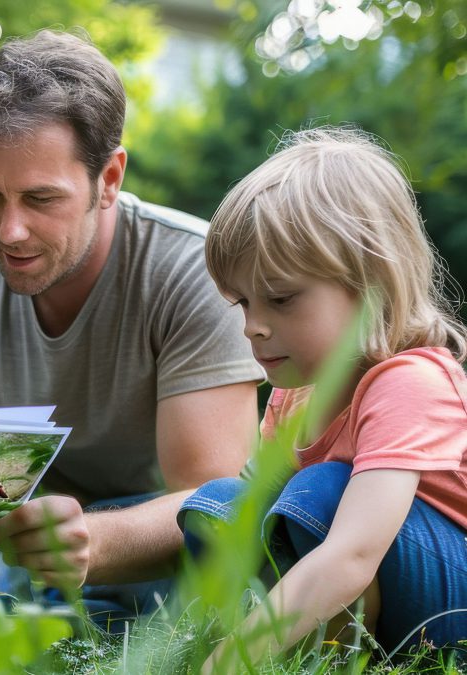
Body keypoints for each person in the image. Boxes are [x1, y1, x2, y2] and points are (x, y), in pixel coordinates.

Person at [0, 29, 263, 619]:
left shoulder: (192, 269)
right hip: (22, 541)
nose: (9, 232)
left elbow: (215, 505)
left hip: (155, 544)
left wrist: (92, 542)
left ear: (108, 180)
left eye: (40, 199)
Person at [179, 127, 467, 666]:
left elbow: (353, 551)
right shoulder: (298, 392)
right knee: (219, 506)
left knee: (322, 492)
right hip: (377, 569)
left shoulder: (410, 382)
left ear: (370, 286)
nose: (254, 327)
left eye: (282, 299)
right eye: (242, 302)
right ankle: (287, 640)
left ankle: (339, 656)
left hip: (453, 589)